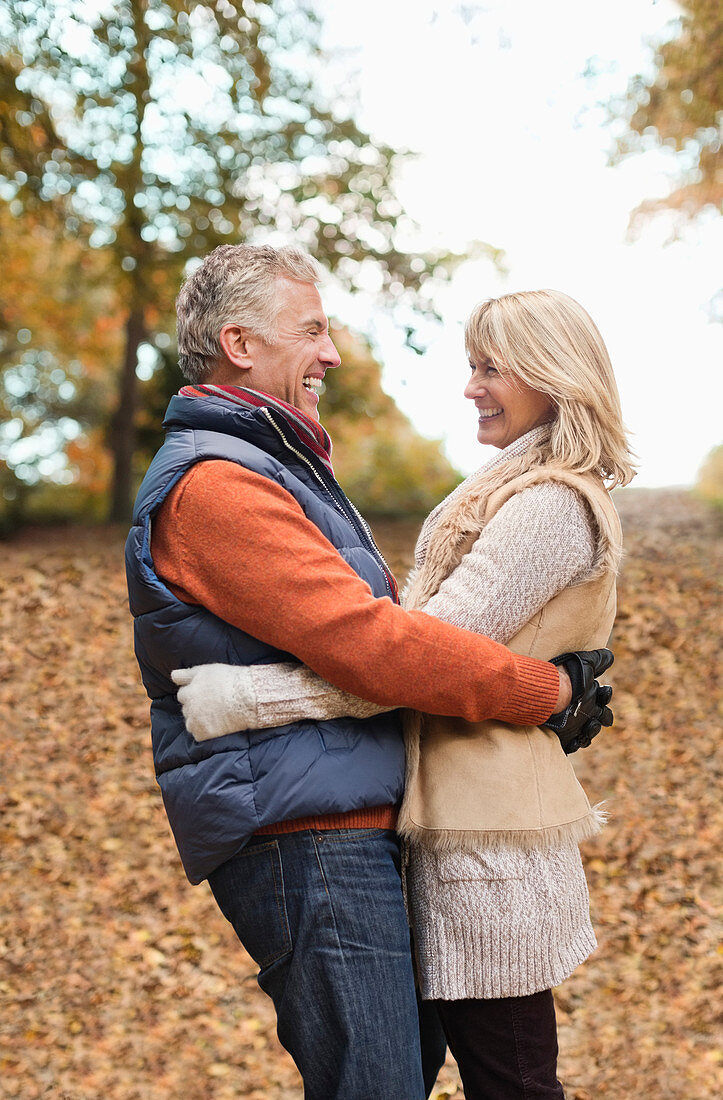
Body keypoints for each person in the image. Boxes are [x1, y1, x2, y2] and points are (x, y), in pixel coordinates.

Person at [125, 245, 614, 1100]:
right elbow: (381, 646)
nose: (333, 352)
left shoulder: (277, 465)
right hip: (299, 830)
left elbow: (391, 636)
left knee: (400, 1075)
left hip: (343, 814)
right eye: (312, 329)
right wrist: (546, 692)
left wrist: (254, 697)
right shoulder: (219, 484)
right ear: (240, 343)